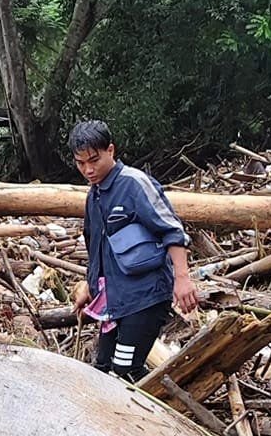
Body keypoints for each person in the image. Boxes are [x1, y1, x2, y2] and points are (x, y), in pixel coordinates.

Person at [73, 118, 198, 378]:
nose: (88, 170)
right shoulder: (93, 195)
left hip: (145, 296)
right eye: (81, 163)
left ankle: (163, 413)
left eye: (94, 160)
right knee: (103, 370)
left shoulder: (134, 183)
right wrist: (90, 286)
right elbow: (95, 246)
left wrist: (182, 279)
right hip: (114, 300)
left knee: (125, 369)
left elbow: (172, 230)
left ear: (111, 150)